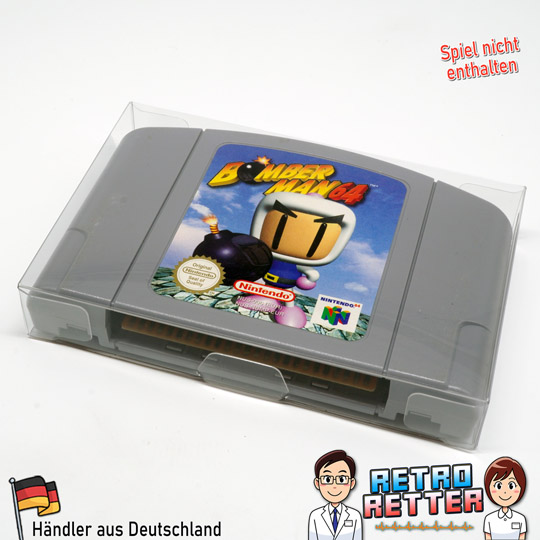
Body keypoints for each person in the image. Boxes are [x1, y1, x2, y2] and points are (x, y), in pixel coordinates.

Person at [308, 450, 362, 539]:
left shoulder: (355, 515)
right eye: (327, 479)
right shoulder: (315, 515)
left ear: (352, 483)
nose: (334, 486)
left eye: (341, 479)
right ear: (317, 483)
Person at [483, 456, 527, 539]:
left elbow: (522, 537)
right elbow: (488, 537)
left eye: (511, 486)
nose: (505, 492)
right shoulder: (489, 519)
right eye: (498, 486)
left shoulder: (520, 518)